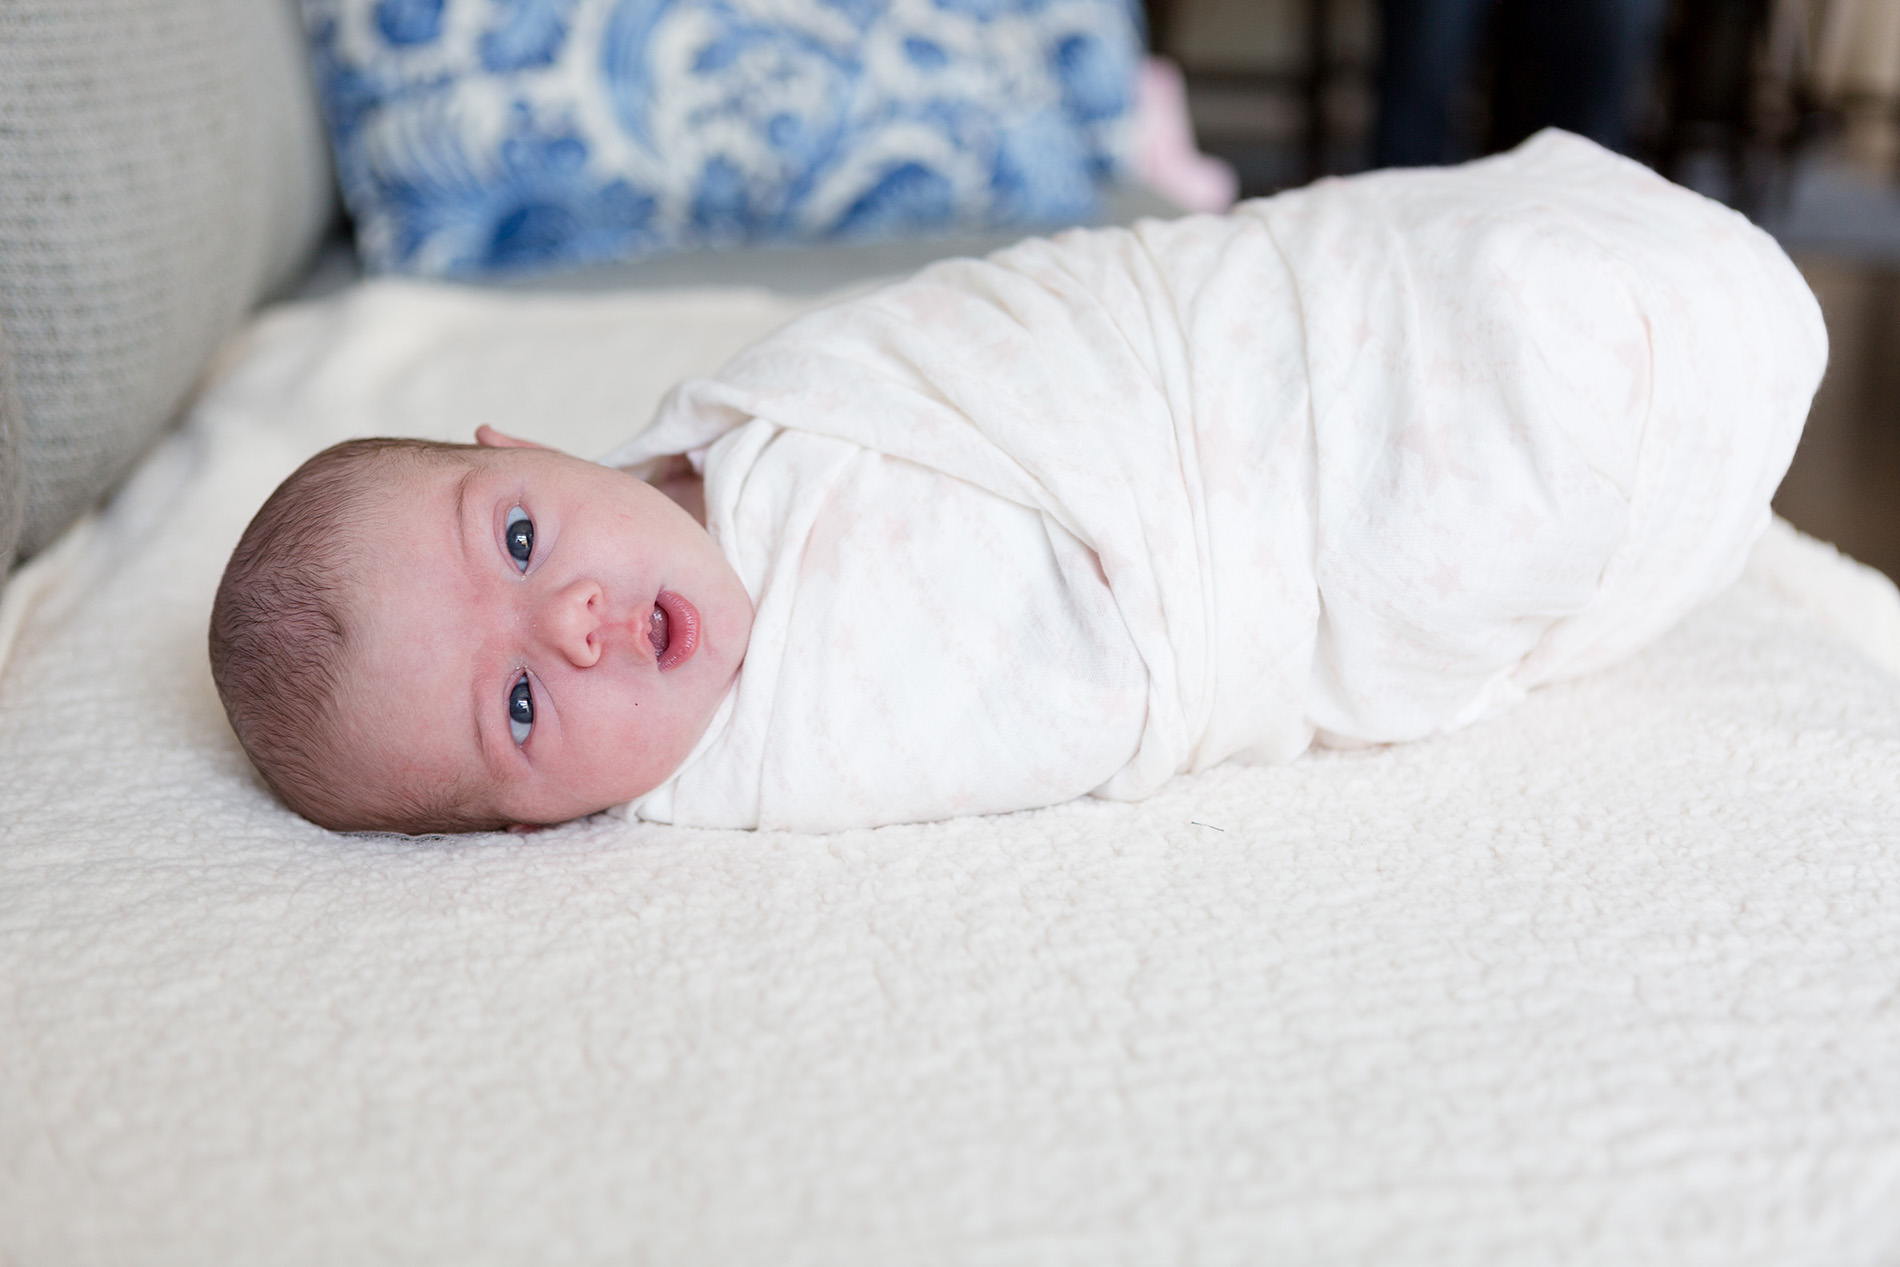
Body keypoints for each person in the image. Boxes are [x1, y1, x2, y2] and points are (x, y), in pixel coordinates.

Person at [209, 131, 1826, 835]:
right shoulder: (788, 748)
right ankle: (1614, 397)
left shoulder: (743, 415)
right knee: (1490, 475)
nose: (566, 621)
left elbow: (998, 329)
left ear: (526, 451)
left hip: (1215, 329)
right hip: (1246, 532)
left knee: (1480, 282)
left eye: (514, 539)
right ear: (531, 826)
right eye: (513, 713)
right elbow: (1093, 682)